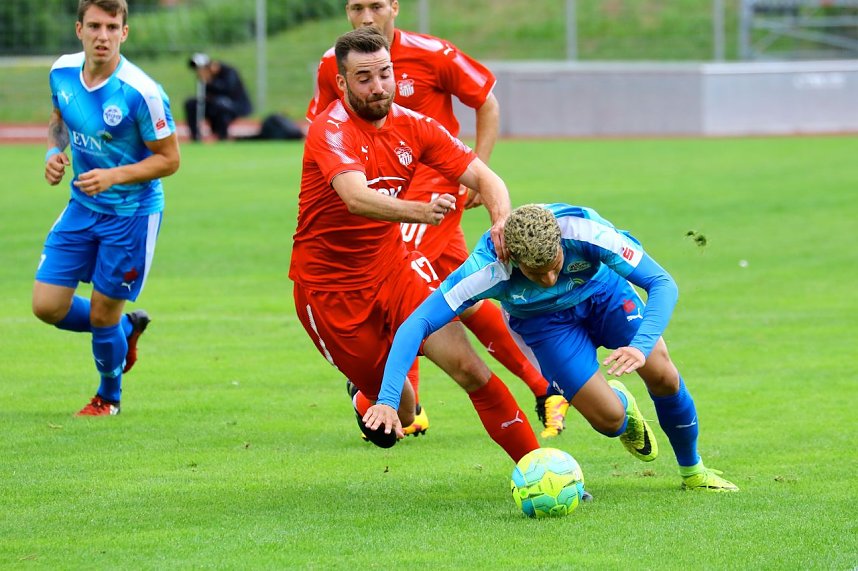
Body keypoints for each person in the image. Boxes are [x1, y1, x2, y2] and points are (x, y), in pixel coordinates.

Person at [306, 0, 568, 438]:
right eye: (356, 7)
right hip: (387, 200)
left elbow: (486, 102)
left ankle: (403, 394)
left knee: (428, 300)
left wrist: (478, 180)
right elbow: (336, 151)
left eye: (375, 6)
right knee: (466, 295)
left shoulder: (434, 55)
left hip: (432, 195)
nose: (366, 17)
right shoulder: (332, 66)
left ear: (395, 7)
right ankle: (540, 387)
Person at [369, 203, 740, 492]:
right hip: (545, 325)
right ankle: (622, 405)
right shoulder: (487, 269)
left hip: (603, 294)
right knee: (609, 422)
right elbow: (415, 324)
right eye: (536, 272)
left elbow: (662, 283)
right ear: (513, 258)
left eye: (554, 265)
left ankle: (693, 471)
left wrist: (642, 346)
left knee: (661, 371)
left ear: (561, 244)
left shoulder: (587, 233)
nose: (548, 278)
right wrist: (387, 399)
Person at [35, 0, 180, 416]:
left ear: (124, 33)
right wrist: (52, 152)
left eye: (112, 27)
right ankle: (123, 328)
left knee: (101, 311)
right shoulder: (61, 71)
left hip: (132, 215)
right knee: (47, 306)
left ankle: (108, 398)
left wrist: (114, 176)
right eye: (95, 26)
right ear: (79, 29)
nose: (103, 36)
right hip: (82, 206)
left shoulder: (142, 92)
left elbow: (169, 160)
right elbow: (59, 119)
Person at [184, 53, 252, 141]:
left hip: (233, 105)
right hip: (214, 104)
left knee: (219, 103)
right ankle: (195, 136)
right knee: (191, 104)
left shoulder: (229, 72)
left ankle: (222, 136)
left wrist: (210, 82)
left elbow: (228, 90)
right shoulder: (203, 78)